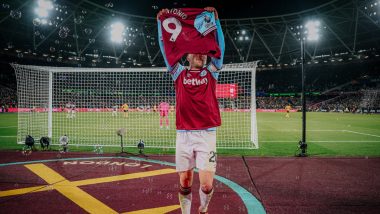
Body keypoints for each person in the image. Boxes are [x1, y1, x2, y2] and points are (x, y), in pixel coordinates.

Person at [157, 7, 224, 214]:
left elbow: (219, 48)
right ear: (186, 56)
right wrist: (160, 25)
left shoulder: (212, 73)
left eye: (203, 52)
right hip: (184, 134)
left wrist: (217, 22)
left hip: (206, 133)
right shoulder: (178, 73)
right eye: (196, 51)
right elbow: (165, 48)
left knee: (206, 184)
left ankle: (203, 208)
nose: (201, 55)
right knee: (185, 181)